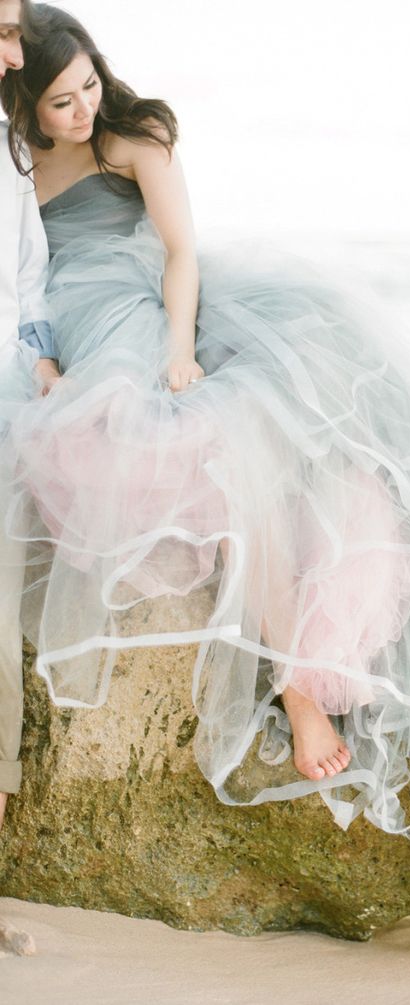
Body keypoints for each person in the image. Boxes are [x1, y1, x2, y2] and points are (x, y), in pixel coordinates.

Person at [0, 3, 410, 957]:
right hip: (58, 321)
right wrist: (32, 351)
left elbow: (181, 252)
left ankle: (298, 684)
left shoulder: (135, 137)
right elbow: (19, 273)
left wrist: (176, 351)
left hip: (144, 307)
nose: (78, 112)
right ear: (25, 101)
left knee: (242, 434)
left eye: (86, 89)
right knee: (109, 447)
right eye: (59, 102)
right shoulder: (17, 159)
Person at [0, 0, 58, 839]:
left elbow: (27, 280)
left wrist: (44, 363)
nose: (15, 57)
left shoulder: (11, 151)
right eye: (4, 31)